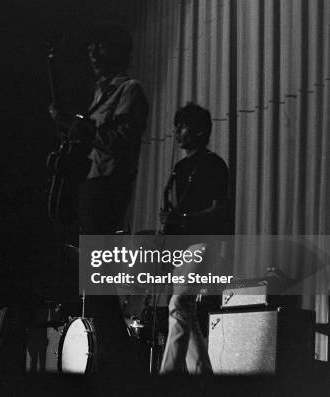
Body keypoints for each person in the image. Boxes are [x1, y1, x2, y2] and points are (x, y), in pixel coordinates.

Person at [48, 23, 149, 373]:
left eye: (100, 46)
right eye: (91, 47)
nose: (92, 53)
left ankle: (125, 364)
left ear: (118, 51)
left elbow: (119, 140)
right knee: (95, 283)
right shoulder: (100, 92)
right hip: (91, 185)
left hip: (108, 187)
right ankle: (114, 361)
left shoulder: (130, 90)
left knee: (100, 282)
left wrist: (81, 128)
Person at [159, 103, 229, 374]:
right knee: (186, 313)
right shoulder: (180, 167)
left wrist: (183, 220)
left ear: (199, 131)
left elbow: (219, 211)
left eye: (183, 125)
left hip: (203, 244)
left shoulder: (213, 164)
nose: (176, 131)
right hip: (182, 247)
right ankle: (204, 377)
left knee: (178, 305)